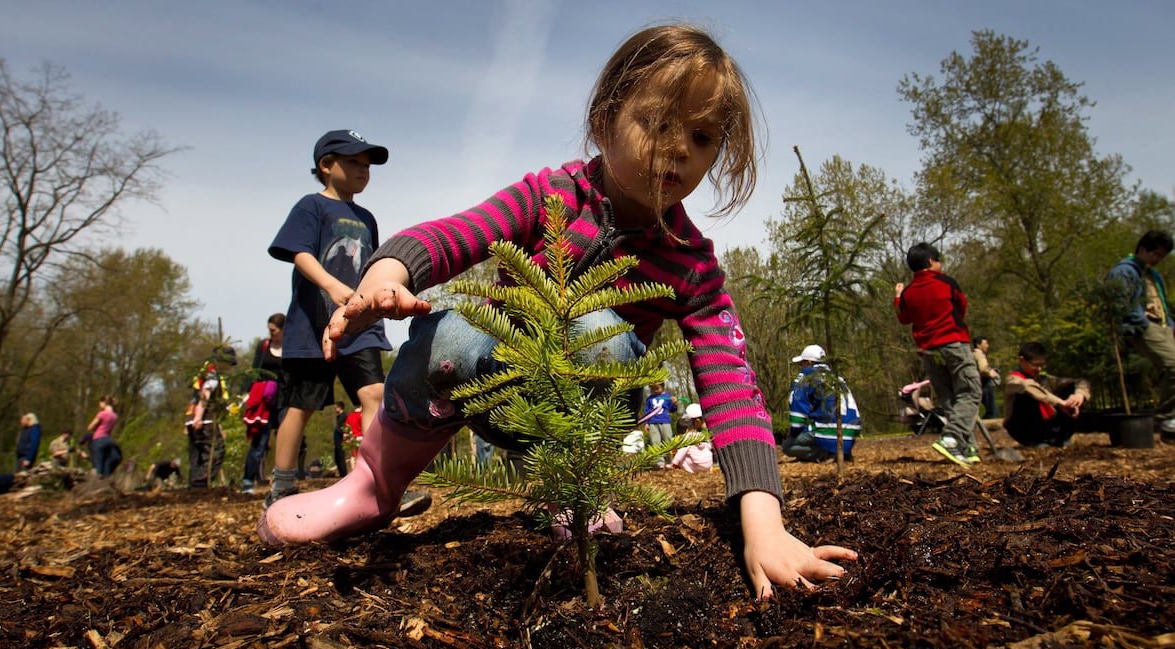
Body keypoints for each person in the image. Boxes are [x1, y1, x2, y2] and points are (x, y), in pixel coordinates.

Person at [258, 25, 856, 598]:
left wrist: (764, 524)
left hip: (582, 430)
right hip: (481, 379)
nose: (677, 149)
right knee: (446, 332)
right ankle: (373, 485)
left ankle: (579, 496)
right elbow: (460, 234)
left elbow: (732, 384)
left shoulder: (690, 264)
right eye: (656, 122)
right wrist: (387, 274)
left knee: (597, 330)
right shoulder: (550, 195)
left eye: (701, 138)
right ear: (604, 122)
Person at [264, 129, 429, 517]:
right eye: (353, 162)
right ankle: (282, 486)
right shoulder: (311, 207)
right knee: (300, 406)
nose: (363, 171)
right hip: (312, 324)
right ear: (325, 165)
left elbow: (373, 266)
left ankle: (375, 483)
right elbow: (299, 253)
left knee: (374, 395)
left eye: (367, 165)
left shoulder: (366, 218)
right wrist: (333, 287)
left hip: (360, 325)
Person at [895, 242, 982, 467]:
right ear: (931, 261)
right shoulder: (945, 282)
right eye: (938, 260)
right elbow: (961, 307)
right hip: (954, 343)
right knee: (971, 392)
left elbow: (903, 318)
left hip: (928, 351)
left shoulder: (908, 293)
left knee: (949, 399)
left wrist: (897, 297)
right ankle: (951, 437)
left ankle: (967, 447)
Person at [1108, 230, 1175, 433]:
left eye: (1162, 256)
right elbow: (1121, 304)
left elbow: (1160, 302)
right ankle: (1165, 418)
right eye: (1155, 254)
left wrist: (1171, 325)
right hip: (1143, 327)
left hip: (1163, 327)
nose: (1158, 260)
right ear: (1143, 249)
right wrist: (1142, 322)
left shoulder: (1151, 274)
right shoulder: (1124, 271)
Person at [781, 345, 861, 462]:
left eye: (802, 363)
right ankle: (841, 451)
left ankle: (825, 453)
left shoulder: (806, 376)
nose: (801, 367)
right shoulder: (836, 376)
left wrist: (793, 433)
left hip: (829, 428)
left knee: (787, 446)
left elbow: (797, 414)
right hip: (853, 430)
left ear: (808, 362)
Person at [1003, 342, 1091, 449]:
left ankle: (1060, 438)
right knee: (1027, 395)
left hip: (1049, 424)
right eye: (1035, 365)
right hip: (1022, 428)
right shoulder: (1013, 380)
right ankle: (1035, 441)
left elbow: (1081, 382)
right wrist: (1061, 403)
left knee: (1071, 389)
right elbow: (1028, 386)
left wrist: (1078, 396)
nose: (1039, 369)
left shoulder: (1045, 379)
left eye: (1042, 365)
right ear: (1022, 360)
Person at [242, 313, 286, 494]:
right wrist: (245, 393)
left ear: (283, 329)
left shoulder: (291, 346)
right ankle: (248, 480)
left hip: (283, 399)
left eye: (273, 330)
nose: (270, 333)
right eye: (269, 330)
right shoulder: (264, 346)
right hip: (265, 402)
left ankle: (282, 479)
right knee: (260, 442)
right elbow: (255, 369)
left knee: (285, 438)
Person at [185, 347, 235, 487]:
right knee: (216, 451)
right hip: (204, 420)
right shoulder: (212, 376)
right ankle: (200, 481)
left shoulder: (203, 373)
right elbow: (204, 396)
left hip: (193, 419)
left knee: (197, 454)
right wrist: (198, 418)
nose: (229, 368)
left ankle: (194, 483)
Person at [669, 403, 713, 472]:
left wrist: (674, 463)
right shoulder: (701, 434)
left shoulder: (688, 436)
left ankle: (690, 472)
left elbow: (682, 451)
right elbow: (709, 447)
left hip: (698, 466)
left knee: (682, 454)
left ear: (697, 421)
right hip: (708, 464)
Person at [87, 396, 122, 477]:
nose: (99, 405)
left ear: (104, 403)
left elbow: (90, 427)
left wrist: (95, 428)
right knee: (107, 461)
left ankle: (98, 483)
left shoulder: (102, 414)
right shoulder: (114, 416)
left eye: (100, 403)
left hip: (98, 439)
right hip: (108, 440)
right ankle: (107, 480)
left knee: (98, 464)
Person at [973, 336, 1000, 419]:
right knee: (992, 411)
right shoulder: (979, 353)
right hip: (984, 383)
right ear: (978, 345)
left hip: (978, 383)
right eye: (985, 343)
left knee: (990, 410)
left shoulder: (973, 354)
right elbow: (983, 369)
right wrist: (993, 373)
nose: (987, 345)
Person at [332, 401, 348, 477]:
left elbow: (345, 427)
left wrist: (340, 431)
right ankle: (341, 473)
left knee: (341, 457)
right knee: (337, 458)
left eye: (336, 407)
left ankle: (344, 474)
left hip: (341, 439)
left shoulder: (344, 416)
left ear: (340, 407)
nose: (334, 409)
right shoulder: (338, 416)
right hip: (337, 440)